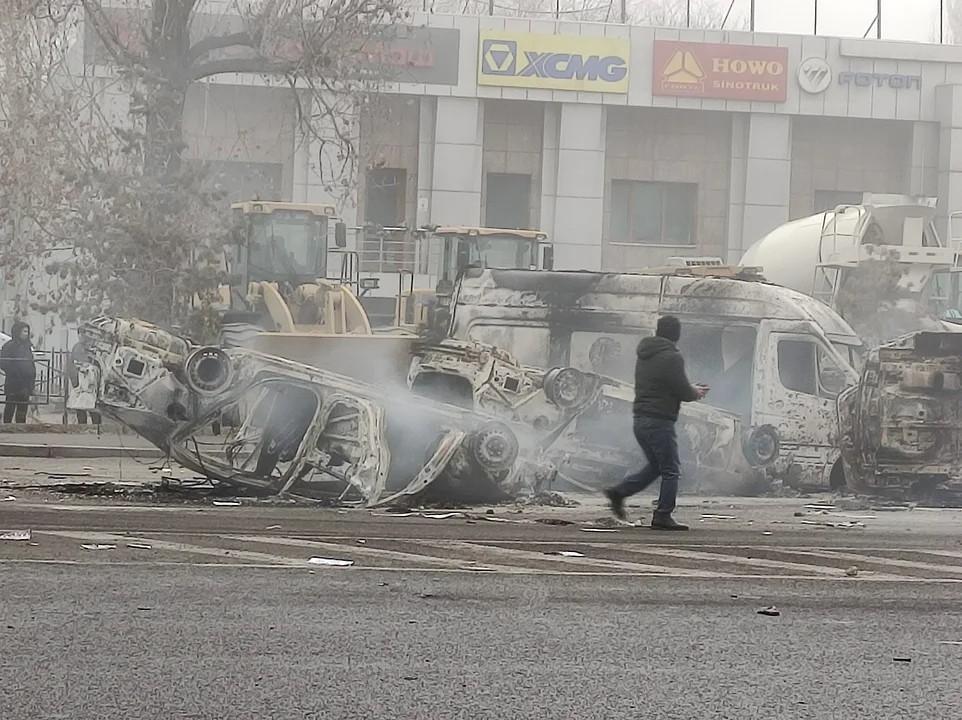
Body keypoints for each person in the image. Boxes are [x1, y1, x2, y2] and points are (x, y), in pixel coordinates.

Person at [604, 315, 709, 531]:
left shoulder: (645, 354)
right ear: (676, 334)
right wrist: (695, 392)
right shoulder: (672, 357)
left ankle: (619, 492)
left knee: (656, 467)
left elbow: (664, 384)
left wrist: (688, 388)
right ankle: (662, 515)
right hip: (659, 421)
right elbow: (681, 390)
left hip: (641, 419)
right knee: (671, 470)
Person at [1, 322, 36, 424]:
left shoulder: (27, 346)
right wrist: (15, 371)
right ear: (18, 332)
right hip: (13, 382)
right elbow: (3, 362)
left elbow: (30, 362)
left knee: (22, 408)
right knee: (10, 406)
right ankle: (7, 427)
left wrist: (32, 377)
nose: (26, 334)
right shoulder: (9, 346)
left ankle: (20, 428)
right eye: (24, 331)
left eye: (27, 331)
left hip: (26, 383)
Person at [66, 340, 101, 426]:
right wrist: (75, 382)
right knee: (80, 407)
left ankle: (97, 426)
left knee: (94, 408)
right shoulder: (77, 347)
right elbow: (71, 366)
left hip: (93, 385)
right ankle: (82, 426)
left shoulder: (97, 347)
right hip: (80, 383)